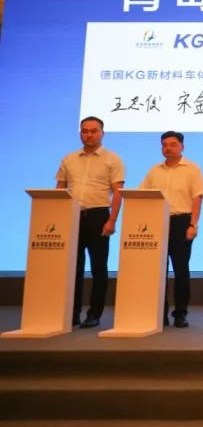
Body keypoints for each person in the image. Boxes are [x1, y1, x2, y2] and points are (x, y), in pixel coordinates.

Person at [56, 116, 125, 329]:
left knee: (98, 267)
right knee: (72, 268)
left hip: (98, 216)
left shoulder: (112, 159)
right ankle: (72, 313)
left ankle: (94, 314)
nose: (89, 135)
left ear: (102, 133)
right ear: (80, 133)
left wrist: (112, 220)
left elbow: (118, 193)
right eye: (85, 131)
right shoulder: (69, 159)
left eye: (93, 131)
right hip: (72, 216)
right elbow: (60, 189)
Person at [140, 131, 203, 328]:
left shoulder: (192, 169)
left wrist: (193, 225)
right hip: (157, 223)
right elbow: (142, 194)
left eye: (172, 144)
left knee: (180, 270)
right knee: (158, 271)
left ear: (182, 147)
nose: (168, 148)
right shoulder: (155, 170)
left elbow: (197, 198)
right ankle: (159, 313)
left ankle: (180, 313)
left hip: (181, 222)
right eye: (164, 145)